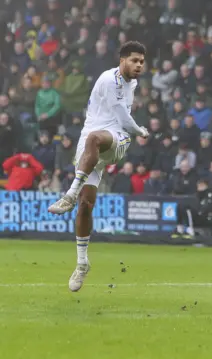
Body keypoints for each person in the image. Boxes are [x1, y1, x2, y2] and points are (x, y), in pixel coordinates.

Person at [47, 41, 149, 292]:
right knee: (86, 206)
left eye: (142, 62)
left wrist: (134, 132)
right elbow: (126, 116)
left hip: (116, 138)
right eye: (135, 60)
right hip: (90, 142)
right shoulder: (109, 80)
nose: (139, 66)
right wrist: (142, 131)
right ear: (122, 59)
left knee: (94, 141)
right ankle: (82, 263)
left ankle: (69, 193)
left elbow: (123, 121)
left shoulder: (131, 83)